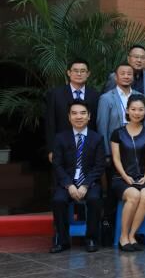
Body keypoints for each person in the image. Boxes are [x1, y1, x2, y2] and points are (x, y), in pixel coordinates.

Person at [50, 99, 105, 253]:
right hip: (67, 183)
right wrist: (69, 185)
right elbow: (57, 164)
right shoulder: (60, 138)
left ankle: (91, 239)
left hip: (90, 183)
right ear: (69, 117)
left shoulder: (97, 138)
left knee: (94, 199)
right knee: (58, 200)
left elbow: (99, 166)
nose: (78, 117)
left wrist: (85, 185)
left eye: (82, 113)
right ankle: (62, 241)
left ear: (89, 116)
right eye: (74, 113)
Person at [110, 94, 145, 251]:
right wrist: (125, 176)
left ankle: (132, 235)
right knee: (134, 195)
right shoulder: (117, 133)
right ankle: (123, 236)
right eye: (134, 109)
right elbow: (116, 159)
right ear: (127, 111)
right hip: (121, 178)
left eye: (141, 109)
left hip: (144, 177)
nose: (137, 113)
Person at [46, 59, 100, 163]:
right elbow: (50, 123)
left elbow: (97, 123)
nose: (79, 74)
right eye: (75, 70)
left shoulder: (95, 95)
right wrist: (51, 149)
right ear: (69, 73)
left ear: (88, 74)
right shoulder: (55, 94)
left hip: (88, 147)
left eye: (83, 71)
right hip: (62, 146)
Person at [98, 63, 145, 156]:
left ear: (133, 77)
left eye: (129, 74)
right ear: (115, 77)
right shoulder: (106, 98)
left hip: (138, 147)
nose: (126, 76)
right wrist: (106, 153)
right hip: (115, 147)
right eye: (122, 73)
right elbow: (102, 127)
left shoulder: (141, 96)